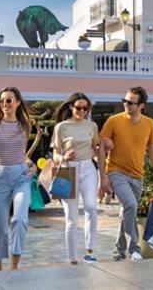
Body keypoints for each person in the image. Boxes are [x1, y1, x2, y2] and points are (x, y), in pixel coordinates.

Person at [98, 86, 153, 263]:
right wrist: (102, 177)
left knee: (128, 211)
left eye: (131, 103)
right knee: (130, 204)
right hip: (116, 171)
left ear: (141, 105)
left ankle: (118, 253)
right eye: (125, 101)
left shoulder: (149, 123)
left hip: (137, 175)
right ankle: (134, 249)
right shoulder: (113, 121)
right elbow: (101, 148)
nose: (126, 104)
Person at [0, 86, 35, 271]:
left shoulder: (25, 125)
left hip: (21, 177)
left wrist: (31, 164)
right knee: (0, 226)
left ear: (18, 102)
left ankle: (14, 267)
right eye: (1, 101)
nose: (4, 104)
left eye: (9, 100)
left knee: (20, 219)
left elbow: (21, 153)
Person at [52, 92, 102, 265]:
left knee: (91, 207)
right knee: (71, 217)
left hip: (88, 167)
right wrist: (63, 157)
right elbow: (55, 154)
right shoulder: (61, 127)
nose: (82, 111)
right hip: (68, 170)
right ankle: (72, 257)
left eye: (85, 108)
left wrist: (105, 151)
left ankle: (90, 251)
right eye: (79, 108)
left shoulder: (92, 126)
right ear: (71, 107)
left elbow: (96, 149)